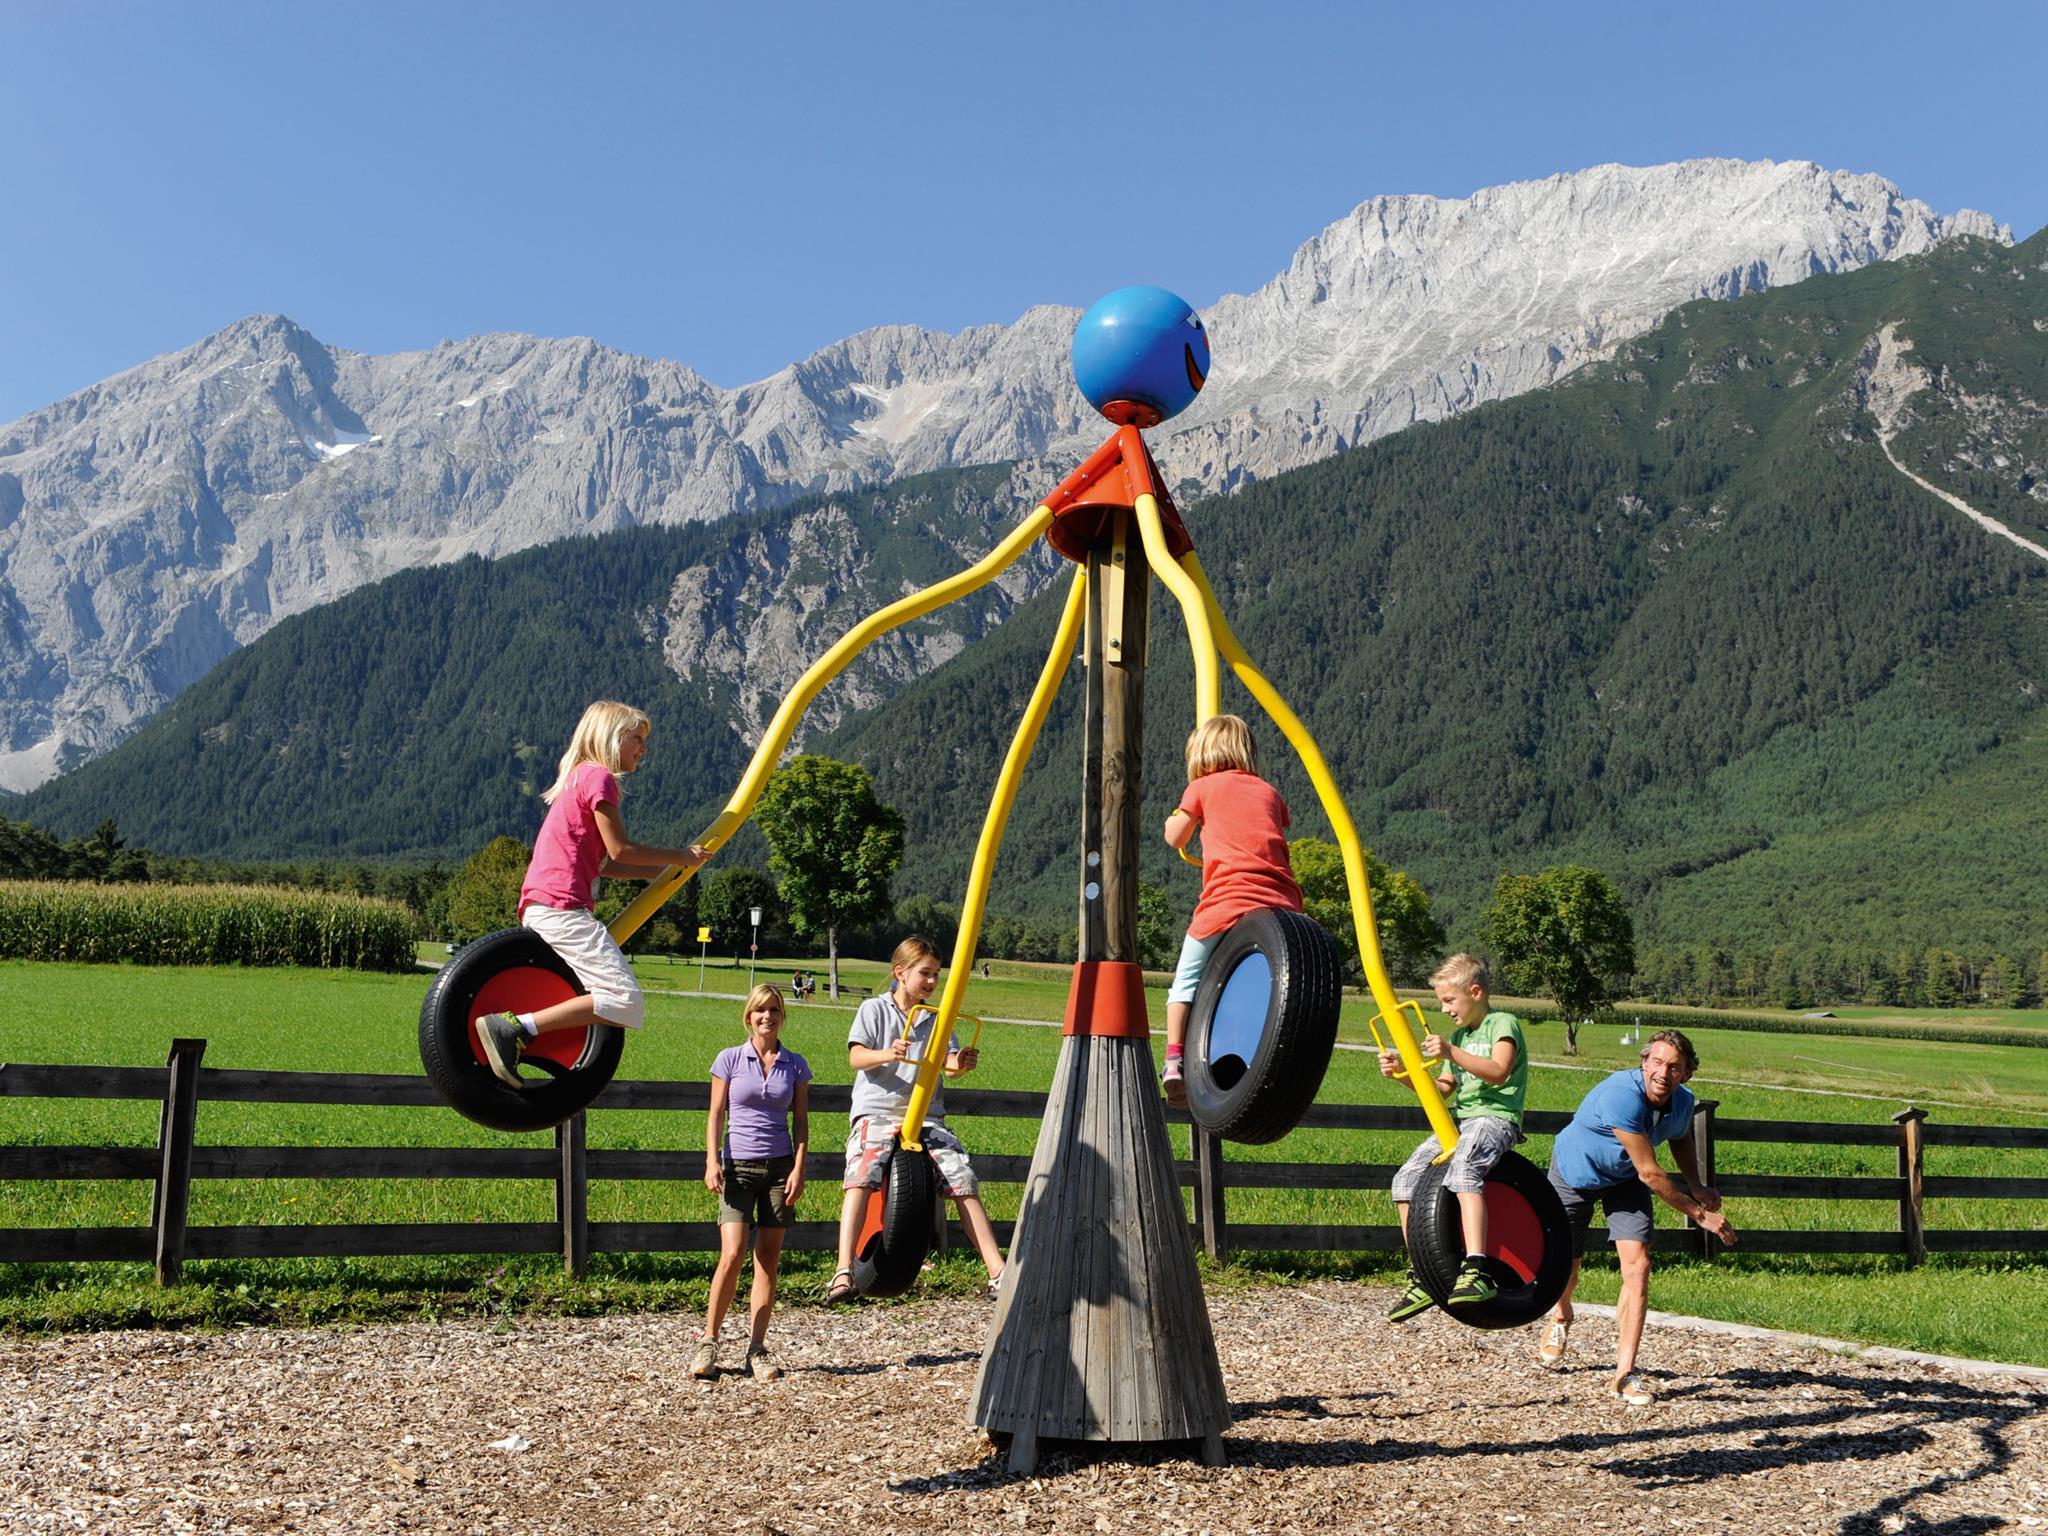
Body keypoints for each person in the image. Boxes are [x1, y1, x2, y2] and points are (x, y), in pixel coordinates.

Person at [476, 700, 709, 1086]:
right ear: (611, 737)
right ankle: (516, 1028)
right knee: (625, 999)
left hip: (542, 904)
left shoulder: (578, 778)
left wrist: (667, 872)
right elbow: (621, 849)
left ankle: (521, 1030)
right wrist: (681, 855)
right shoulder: (599, 777)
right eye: (636, 737)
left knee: (610, 995)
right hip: (562, 906)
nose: (643, 747)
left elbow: (607, 864)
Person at [1541, 1028, 1736, 1405]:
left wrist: (1696, 1184)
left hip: (1624, 1179)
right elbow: (1650, 1173)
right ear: (1644, 1063)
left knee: (1639, 1266)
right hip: (1575, 1172)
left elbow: (1679, 1135)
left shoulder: (1683, 1102)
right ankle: (1562, 1315)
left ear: (1687, 1074)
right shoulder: (1621, 1096)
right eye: (1657, 1063)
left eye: (1675, 1067)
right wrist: (1699, 1214)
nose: (1664, 1073)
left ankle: (1624, 1373)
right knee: (1566, 1266)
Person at [826, 936, 1004, 1302]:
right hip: (879, 1111)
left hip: (926, 1115)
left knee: (963, 1180)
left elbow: (948, 1065)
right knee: (861, 1176)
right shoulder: (874, 1010)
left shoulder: (936, 1019)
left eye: (936, 975)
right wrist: (887, 1053)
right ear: (900, 972)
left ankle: (998, 1271)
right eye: (925, 973)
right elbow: (856, 1058)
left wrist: (961, 1063)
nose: (932, 982)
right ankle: (844, 1270)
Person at [1160, 714, 1304, 1106]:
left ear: (1202, 754)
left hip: (1227, 900)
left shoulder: (1201, 787)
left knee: (1185, 982)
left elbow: (1175, 837)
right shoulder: (1269, 792)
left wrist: (1181, 815)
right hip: (1281, 905)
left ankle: (1174, 1060)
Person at [1379, 953, 1529, 1317]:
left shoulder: (1501, 1023)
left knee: (1463, 1171)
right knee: (1405, 1181)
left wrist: (1451, 1051)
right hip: (1462, 1120)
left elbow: (1498, 1071)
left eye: (1449, 1000)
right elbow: (1443, 1088)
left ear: (1475, 992)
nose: (1445, 1009)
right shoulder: (1461, 1035)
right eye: (1442, 1002)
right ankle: (1424, 1273)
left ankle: (1477, 1268)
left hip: (1495, 1118)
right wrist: (1402, 1074)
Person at [692, 983, 810, 1382]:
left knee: (767, 1259)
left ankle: (757, 1348)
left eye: (774, 1010)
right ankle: (709, 1340)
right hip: (737, 1168)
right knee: (732, 1253)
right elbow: (715, 1115)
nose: (767, 1017)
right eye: (760, 1010)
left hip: (779, 1168)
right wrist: (711, 1160)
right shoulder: (728, 1059)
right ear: (749, 1016)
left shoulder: (794, 1065)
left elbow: (802, 1123)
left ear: (782, 1016)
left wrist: (798, 1168)